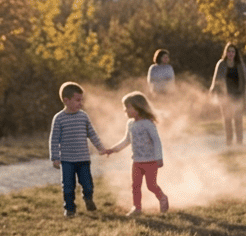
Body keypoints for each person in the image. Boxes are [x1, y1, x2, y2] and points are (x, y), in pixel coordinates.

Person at [105, 91, 169, 216]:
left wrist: (159, 158)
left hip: (150, 162)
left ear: (138, 107)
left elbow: (156, 141)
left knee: (151, 186)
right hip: (137, 162)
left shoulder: (148, 124)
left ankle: (162, 198)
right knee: (135, 185)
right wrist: (113, 149)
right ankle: (137, 208)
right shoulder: (130, 124)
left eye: (127, 107)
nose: (125, 110)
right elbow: (126, 140)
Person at [48, 81, 107, 218]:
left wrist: (100, 147)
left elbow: (92, 133)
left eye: (81, 100)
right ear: (66, 100)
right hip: (67, 160)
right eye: (77, 100)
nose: (81, 103)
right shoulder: (59, 119)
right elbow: (54, 139)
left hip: (83, 159)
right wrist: (55, 157)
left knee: (88, 184)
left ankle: (88, 198)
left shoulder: (83, 116)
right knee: (68, 187)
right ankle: (69, 209)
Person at [209, 43, 246, 146]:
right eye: (229, 51)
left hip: (238, 96)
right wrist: (212, 92)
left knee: (238, 120)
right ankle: (229, 142)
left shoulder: (240, 65)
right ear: (225, 52)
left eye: (232, 51)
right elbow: (216, 80)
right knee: (227, 120)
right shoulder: (221, 64)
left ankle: (240, 143)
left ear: (235, 53)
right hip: (225, 96)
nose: (230, 53)